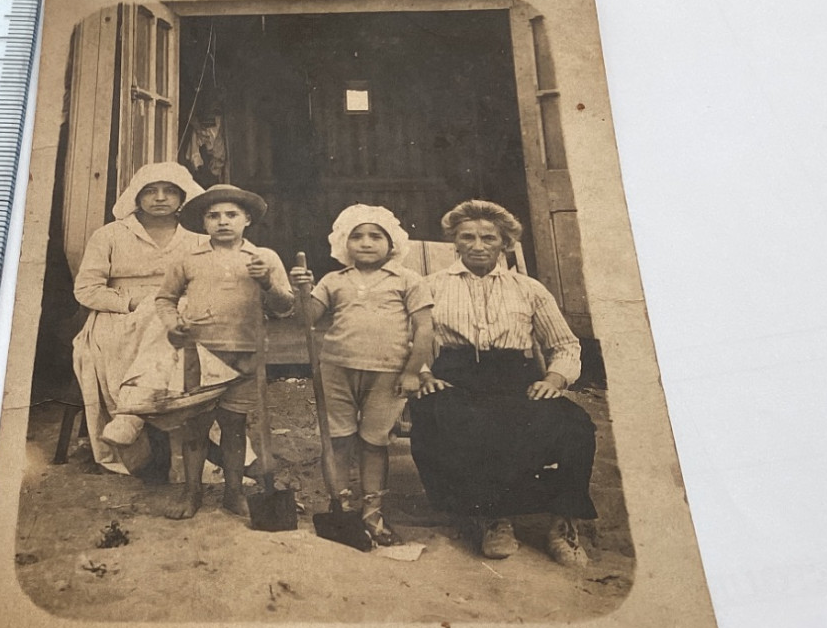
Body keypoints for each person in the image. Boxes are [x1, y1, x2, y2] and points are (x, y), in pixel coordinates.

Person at [410, 199, 597, 566]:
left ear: (505, 243)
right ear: (456, 243)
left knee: (575, 426)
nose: (478, 245)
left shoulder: (529, 289)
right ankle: (493, 517)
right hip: (455, 377)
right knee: (451, 419)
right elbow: (406, 340)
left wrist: (555, 377)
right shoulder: (429, 287)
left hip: (517, 379)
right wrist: (425, 374)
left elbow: (565, 344)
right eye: (468, 237)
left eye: (488, 238)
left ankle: (564, 521)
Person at [288, 204, 433, 546]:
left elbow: (425, 329)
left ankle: (372, 512)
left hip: (388, 373)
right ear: (343, 243)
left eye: (375, 236)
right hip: (336, 367)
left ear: (392, 242)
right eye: (357, 236)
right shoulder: (333, 280)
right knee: (336, 438)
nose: (366, 242)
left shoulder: (408, 280)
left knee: (373, 441)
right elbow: (305, 320)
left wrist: (413, 371)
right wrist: (301, 292)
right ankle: (340, 506)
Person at [154, 185, 295, 520]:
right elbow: (165, 299)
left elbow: (284, 307)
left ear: (247, 219)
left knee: (234, 427)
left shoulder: (264, 258)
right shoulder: (189, 259)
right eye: (213, 215)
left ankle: (234, 493)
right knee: (195, 427)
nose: (223, 222)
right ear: (204, 222)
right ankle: (192, 494)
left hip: (245, 355)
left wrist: (267, 284)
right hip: (199, 354)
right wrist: (172, 324)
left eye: (231, 215)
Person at [71, 162, 205, 474]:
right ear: (136, 196)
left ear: (183, 197)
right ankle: (143, 425)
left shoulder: (198, 239)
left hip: (177, 314)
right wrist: (133, 302)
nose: (160, 198)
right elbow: (87, 289)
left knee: (174, 319)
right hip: (118, 317)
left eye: (170, 191)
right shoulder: (109, 235)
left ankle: (131, 416)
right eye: (150, 191)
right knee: (165, 321)